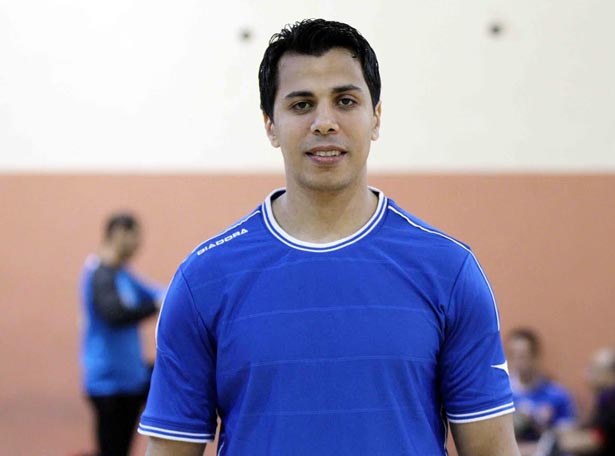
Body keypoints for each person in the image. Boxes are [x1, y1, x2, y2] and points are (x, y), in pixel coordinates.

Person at [138, 19, 519, 456]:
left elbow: (492, 450)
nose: (324, 122)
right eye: (301, 104)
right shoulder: (204, 278)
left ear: (376, 117)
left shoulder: (449, 271)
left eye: (345, 101)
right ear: (270, 125)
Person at [80, 212, 164, 456]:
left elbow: (158, 293)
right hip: (109, 384)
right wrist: (154, 306)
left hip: (130, 379)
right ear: (119, 234)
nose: (138, 245)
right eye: (135, 238)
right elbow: (114, 314)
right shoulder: (100, 275)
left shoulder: (122, 274)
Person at [557, 348, 615, 456]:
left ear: (613, 373)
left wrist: (560, 442)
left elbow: (598, 439)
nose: (586, 374)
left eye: (594, 369)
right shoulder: (607, 399)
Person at [506, 328, 576, 455]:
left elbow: (568, 436)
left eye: (522, 356)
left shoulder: (557, 395)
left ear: (535, 356)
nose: (517, 362)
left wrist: (538, 422)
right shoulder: (504, 396)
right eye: (513, 355)